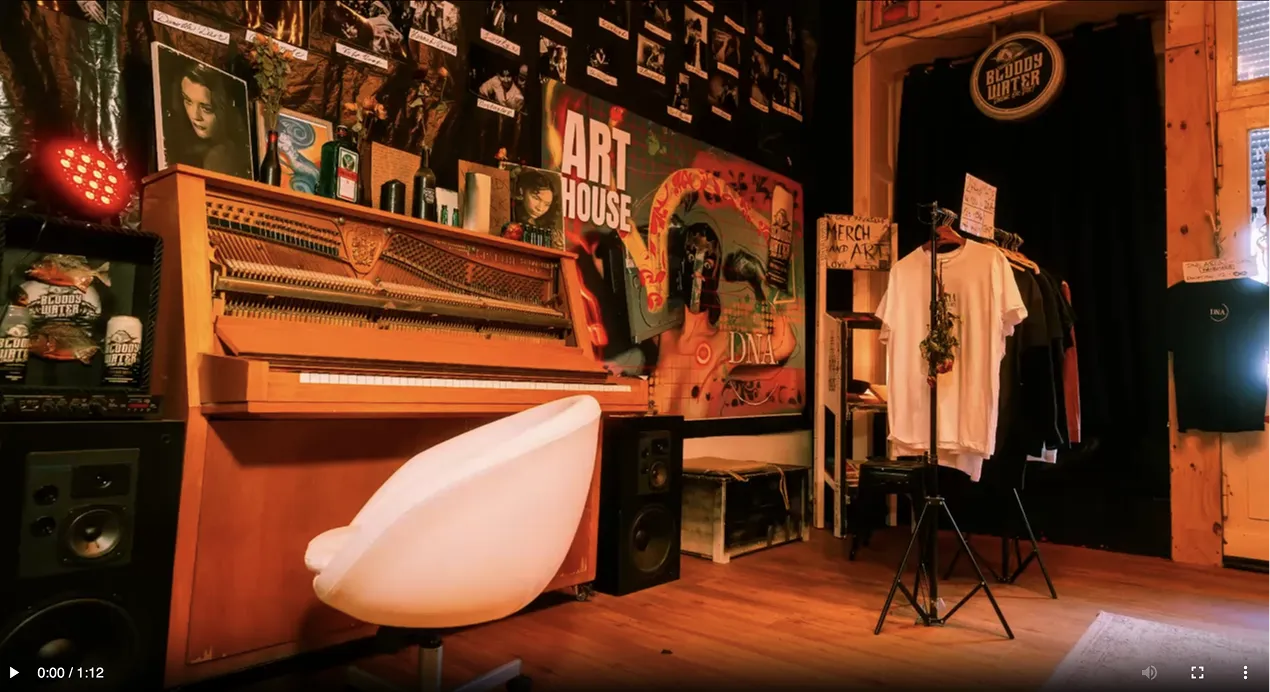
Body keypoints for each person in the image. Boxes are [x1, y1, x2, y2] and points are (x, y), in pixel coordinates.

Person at [165, 59, 250, 178]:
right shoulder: (176, 143)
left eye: (206, 108)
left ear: (225, 108)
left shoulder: (229, 155)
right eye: (187, 101)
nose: (195, 116)